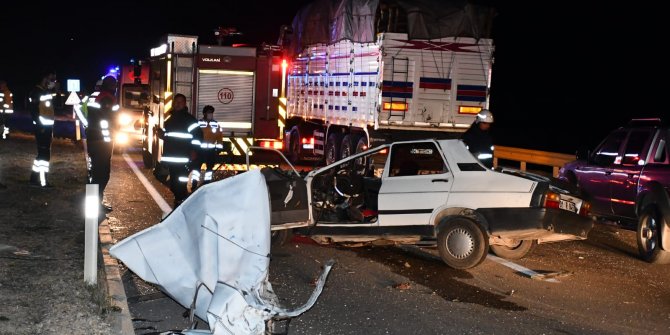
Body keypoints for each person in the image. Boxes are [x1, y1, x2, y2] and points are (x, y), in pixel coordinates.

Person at [155, 93, 202, 207]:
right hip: (171, 158)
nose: (178, 104)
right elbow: (169, 137)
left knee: (180, 181)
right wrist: (161, 134)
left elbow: (198, 137)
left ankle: (181, 200)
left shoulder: (190, 120)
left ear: (185, 104)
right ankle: (180, 199)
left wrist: (194, 151)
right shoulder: (169, 120)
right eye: (176, 102)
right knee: (170, 180)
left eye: (180, 102)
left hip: (183, 158)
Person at [84, 75, 118, 212]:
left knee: (97, 173)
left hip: (93, 138)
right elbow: (109, 119)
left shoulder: (94, 96)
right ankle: (94, 206)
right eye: (115, 85)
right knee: (102, 174)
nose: (115, 88)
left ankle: (95, 204)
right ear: (112, 86)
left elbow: (86, 113)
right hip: (103, 141)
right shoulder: (108, 98)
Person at [28, 71, 57, 188]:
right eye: (51, 79)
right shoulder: (36, 93)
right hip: (42, 129)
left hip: (47, 128)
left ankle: (34, 179)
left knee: (42, 155)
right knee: (44, 156)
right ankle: (43, 182)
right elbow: (34, 112)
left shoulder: (45, 92)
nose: (53, 82)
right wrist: (40, 127)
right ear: (44, 79)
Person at [192, 105, 224, 189]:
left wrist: (219, 148)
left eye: (211, 112)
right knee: (196, 168)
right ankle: (194, 183)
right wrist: (194, 148)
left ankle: (206, 184)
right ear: (204, 113)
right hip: (200, 150)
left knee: (209, 168)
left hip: (211, 151)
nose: (210, 114)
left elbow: (219, 137)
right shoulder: (198, 124)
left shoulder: (216, 125)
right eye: (209, 112)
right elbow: (194, 136)